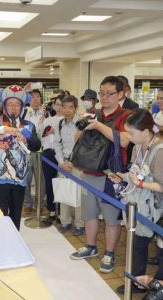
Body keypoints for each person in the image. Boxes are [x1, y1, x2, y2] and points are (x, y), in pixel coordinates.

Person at [70, 76, 131, 273]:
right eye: (101, 93)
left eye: (109, 94)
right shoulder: (92, 113)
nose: (104, 98)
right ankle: (91, 246)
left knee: (112, 217)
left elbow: (123, 141)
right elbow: (77, 139)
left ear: (121, 94)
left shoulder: (126, 115)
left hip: (111, 175)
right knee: (89, 213)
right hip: (88, 171)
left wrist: (97, 125)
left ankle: (110, 253)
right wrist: (83, 124)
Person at [107, 109, 163, 294]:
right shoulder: (137, 147)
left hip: (158, 207)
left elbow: (162, 186)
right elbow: (134, 172)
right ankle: (138, 282)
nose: (128, 136)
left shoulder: (160, 151)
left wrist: (139, 183)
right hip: (142, 205)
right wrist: (123, 178)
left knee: (160, 248)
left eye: (131, 133)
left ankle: (158, 286)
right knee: (137, 242)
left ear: (146, 132)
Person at [0, 85, 41, 230]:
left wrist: (26, 139)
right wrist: (7, 129)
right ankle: (2, 241)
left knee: (16, 212)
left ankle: (15, 241)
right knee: (1, 212)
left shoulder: (28, 125)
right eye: (10, 104)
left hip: (20, 177)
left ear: (22, 106)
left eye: (17, 104)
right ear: (4, 106)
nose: (13, 108)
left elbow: (36, 145)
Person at [53, 95, 84, 235]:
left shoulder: (82, 124)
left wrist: (74, 162)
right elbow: (57, 145)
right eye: (64, 107)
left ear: (75, 108)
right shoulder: (59, 124)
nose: (67, 110)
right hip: (64, 163)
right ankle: (65, 221)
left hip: (79, 165)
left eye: (70, 107)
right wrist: (61, 162)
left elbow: (85, 146)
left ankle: (80, 224)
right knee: (63, 192)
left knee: (80, 194)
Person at [38, 94, 64, 221]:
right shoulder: (48, 120)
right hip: (48, 153)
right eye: (57, 104)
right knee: (50, 183)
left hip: (63, 154)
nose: (59, 107)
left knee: (62, 184)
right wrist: (42, 117)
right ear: (53, 105)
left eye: (61, 104)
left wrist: (56, 132)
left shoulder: (67, 120)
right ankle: (52, 209)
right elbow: (38, 133)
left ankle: (62, 212)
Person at [22, 89, 46, 214]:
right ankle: (27, 203)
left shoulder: (46, 113)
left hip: (41, 151)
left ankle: (40, 204)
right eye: (32, 97)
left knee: (40, 179)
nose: (35, 99)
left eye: (38, 97)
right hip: (26, 149)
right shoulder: (24, 112)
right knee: (26, 177)